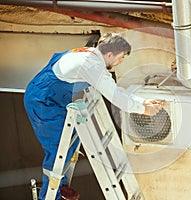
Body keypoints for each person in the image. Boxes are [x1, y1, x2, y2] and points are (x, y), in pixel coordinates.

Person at [24, 33, 163, 200]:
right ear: (110, 54)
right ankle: (49, 195)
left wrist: (144, 102)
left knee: (68, 144)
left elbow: (117, 91)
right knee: (57, 148)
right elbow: (115, 95)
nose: (120, 62)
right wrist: (143, 109)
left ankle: (60, 187)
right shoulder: (92, 66)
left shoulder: (89, 53)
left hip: (54, 99)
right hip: (43, 102)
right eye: (121, 58)